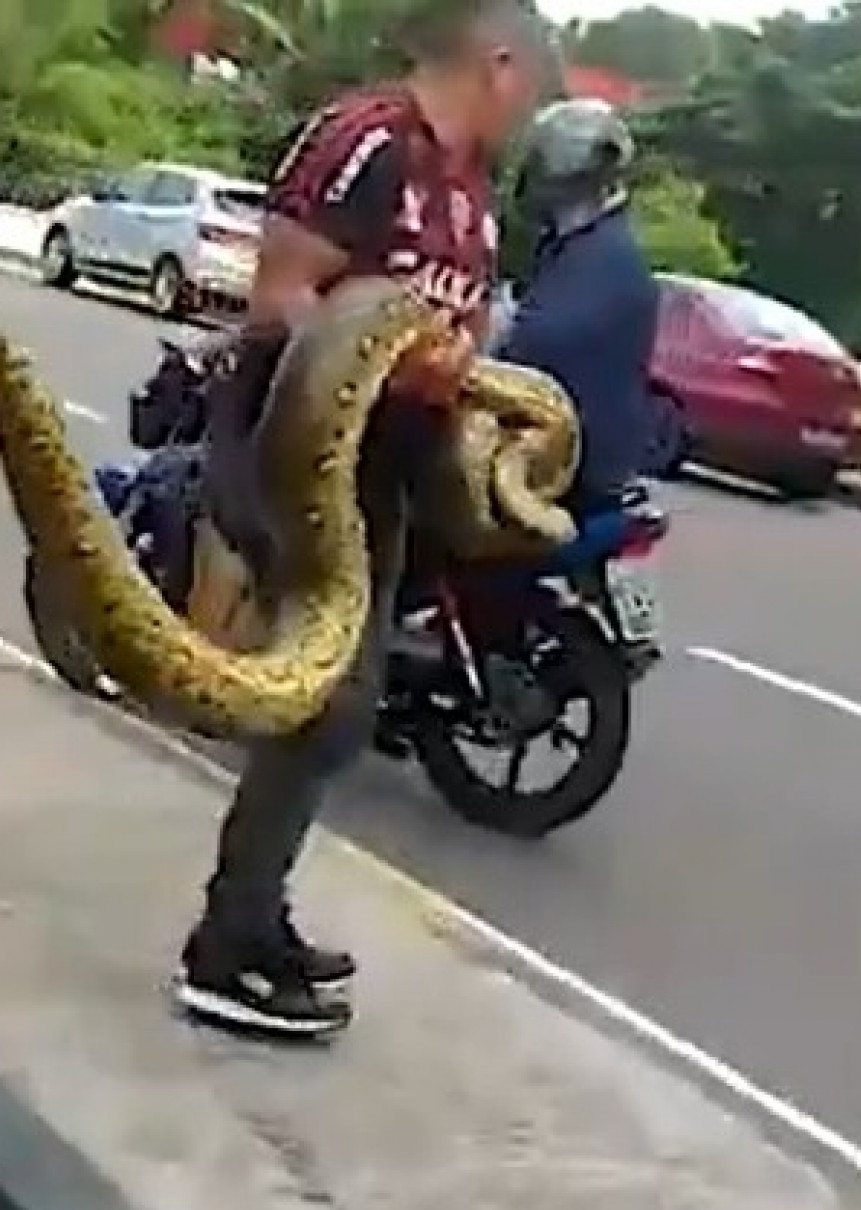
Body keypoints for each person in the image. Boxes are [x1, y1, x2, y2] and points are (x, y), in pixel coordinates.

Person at [176, 0, 558, 1040]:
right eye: (532, 86)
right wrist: (377, 354)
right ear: (501, 62)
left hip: (382, 471)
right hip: (289, 453)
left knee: (342, 707)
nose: (532, 110)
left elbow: (463, 316)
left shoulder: (473, 186)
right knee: (328, 702)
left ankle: (251, 914)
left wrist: (453, 360)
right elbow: (279, 296)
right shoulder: (363, 142)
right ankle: (227, 944)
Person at [496, 96, 657, 517]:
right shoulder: (577, 243)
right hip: (578, 452)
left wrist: (494, 334)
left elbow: (536, 342)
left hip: (576, 468)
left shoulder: (605, 255)